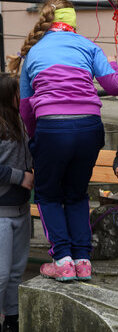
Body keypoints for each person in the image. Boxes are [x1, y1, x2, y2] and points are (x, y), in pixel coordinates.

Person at [7, 0, 118, 282]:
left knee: (47, 195)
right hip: (89, 128)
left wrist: (38, 139)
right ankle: (83, 261)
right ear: (73, 21)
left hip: (52, 129)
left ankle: (62, 260)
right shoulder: (88, 46)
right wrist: (112, 63)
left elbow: (25, 107)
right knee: (76, 194)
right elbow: (115, 86)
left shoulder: (33, 52)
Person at [0, 73, 33, 332]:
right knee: (0, 275)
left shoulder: (19, 122)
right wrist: (21, 177)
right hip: (1, 213)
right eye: (17, 92)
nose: (21, 96)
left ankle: (12, 320)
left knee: (16, 272)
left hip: (21, 210)